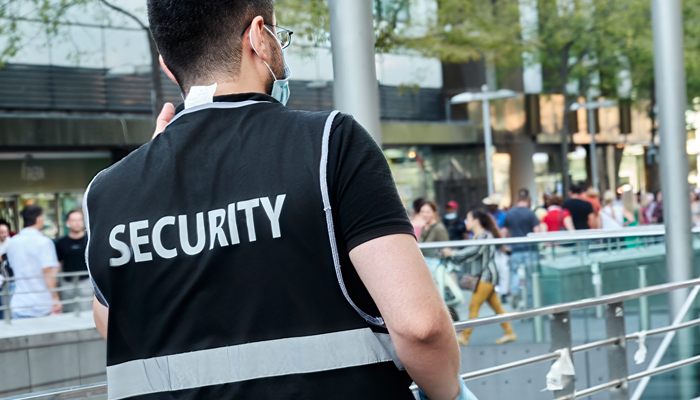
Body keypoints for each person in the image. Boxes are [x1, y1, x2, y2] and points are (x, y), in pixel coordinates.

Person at [86, 2, 467, 399]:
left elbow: (116, 322)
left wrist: (150, 181)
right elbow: (420, 327)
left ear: (167, 65)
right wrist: (450, 395)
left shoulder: (107, 191)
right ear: (258, 37)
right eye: (277, 33)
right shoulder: (331, 144)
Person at [443, 210, 516, 346]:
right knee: (497, 308)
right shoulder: (478, 236)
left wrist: (452, 254)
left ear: (476, 220)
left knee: (474, 306)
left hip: (486, 277)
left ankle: (465, 336)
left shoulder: (485, 236)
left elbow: (473, 252)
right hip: (485, 277)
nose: (466, 222)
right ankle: (509, 333)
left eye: (468, 219)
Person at [6, 205, 61, 318]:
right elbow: (48, 273)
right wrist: (55, 298)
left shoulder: (12, 242)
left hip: (19, 303)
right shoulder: (44, 242)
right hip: (42, 304)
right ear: (38, 219)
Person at [502, 188, 540, 308]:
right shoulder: (531, 213)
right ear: (528, 199)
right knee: (530, 277)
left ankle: (516, 292)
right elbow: (536, 231)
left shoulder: (510, 213)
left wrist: (506, 246)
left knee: (515, 274)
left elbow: (504, 232)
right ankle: (529, 303)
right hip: (530, 250)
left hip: (515, 250)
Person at [55, 209, 92, 312]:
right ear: (68, 223)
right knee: (69, 314)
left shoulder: (89, 240)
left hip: (86, 283)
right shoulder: (61, 243)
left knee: (86, 313)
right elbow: (58, 264)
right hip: (68, 284)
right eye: (73, 220)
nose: (77, 223)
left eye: (79, 220)